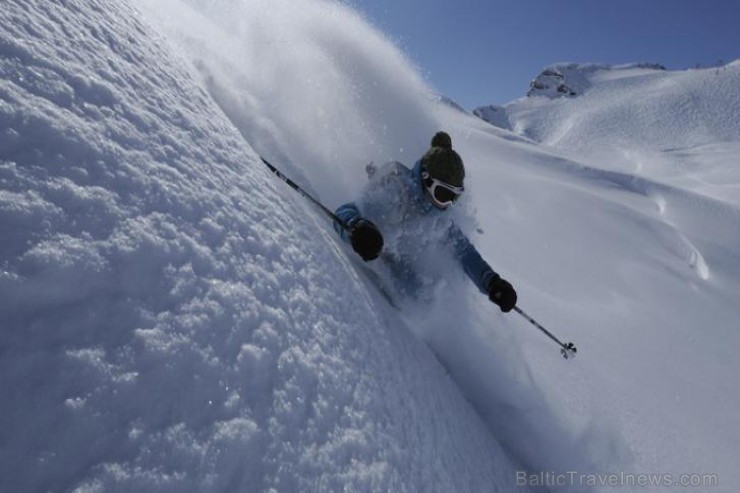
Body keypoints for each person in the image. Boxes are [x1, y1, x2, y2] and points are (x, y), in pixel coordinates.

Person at [333, 131, 517, 312]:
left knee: (421, 298)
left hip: (396, 260)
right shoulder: (396, 194)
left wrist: (492, 282)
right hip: (371, 247)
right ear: (426, 180)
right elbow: (345, 211)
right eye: (443, 194)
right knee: (412, 294)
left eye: (454, 197)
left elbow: (464, 252)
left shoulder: (437, 215)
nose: (448, 204)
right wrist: (357, 228)